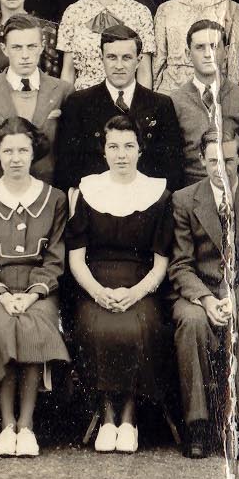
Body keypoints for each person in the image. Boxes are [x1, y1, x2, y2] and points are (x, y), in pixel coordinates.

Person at [65, 125, 180, 455]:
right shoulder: (89, 190)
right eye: (114, 147)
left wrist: (135, 293)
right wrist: (98, 292)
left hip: (141, 286)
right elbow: (76, 259)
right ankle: (106, 416)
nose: (121, 154)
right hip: (94, 283)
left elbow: (161, 264)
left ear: (140, 150)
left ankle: (128, 418)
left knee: (136, 326)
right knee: (95, 327)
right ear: (104, 151)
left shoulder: (158, 194)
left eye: (129, 146)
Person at [0, 123, 71, 458]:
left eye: (22, 150)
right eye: (7, 151)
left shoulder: (54, 199)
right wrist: (2, 294)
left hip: (38, 291)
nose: (15, 158)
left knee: (33, 325)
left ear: (34, 152)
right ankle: (5, 424)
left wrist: (34, 294)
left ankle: (27, 425)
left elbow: (55, 257)